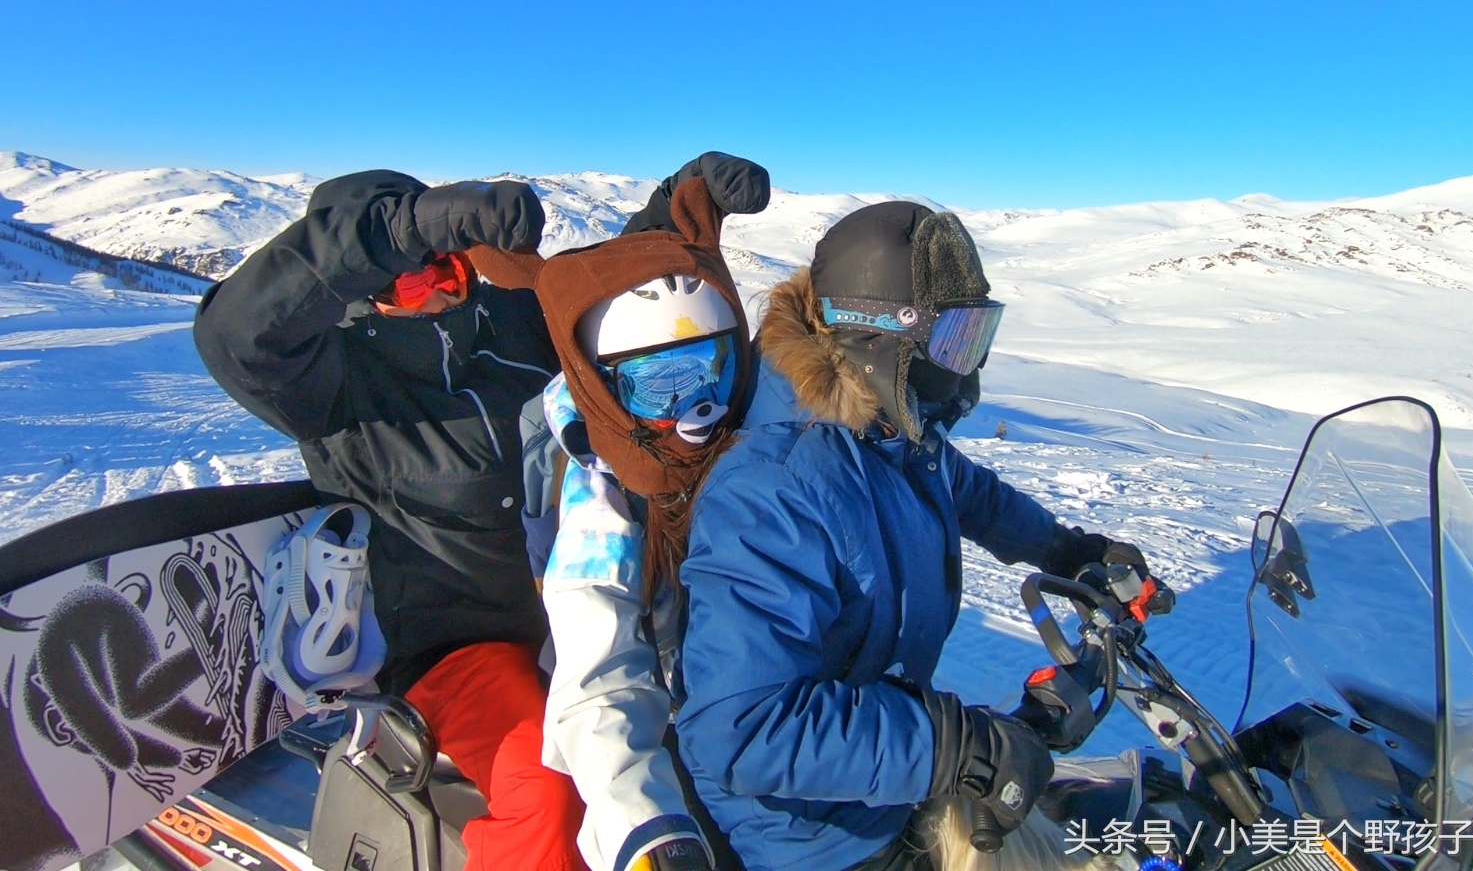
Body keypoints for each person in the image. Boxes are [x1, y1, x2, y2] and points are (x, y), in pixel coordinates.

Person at [672, 201, 1172, 871]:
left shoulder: (896, 436)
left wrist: (1070, 552)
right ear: (880, 337)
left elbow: (976, 497)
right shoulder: (773, 490)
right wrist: (951, 746)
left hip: (892, 785)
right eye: (954, 342)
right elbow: (742, 726)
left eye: (977, 340)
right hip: (813, 837)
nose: (967, 370)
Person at [193, 170, 586, 871]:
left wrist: (676, 214)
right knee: (547, 788)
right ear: (355, 296)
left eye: (448, 271)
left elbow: (603, 303)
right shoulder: (336, 382)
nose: (435, 293)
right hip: (458, 651)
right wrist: (408, 229)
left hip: (585, 610)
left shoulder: (510, 326)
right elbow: (237, 335)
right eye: (407, 282)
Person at [520, 153, 770, 871]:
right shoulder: (602, 496)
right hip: (660, 722)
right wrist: (642, 822)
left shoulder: (746, 439)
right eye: (661, 385)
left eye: (715, 368)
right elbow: (598, 669)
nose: (701, 408)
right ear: (607, 389)